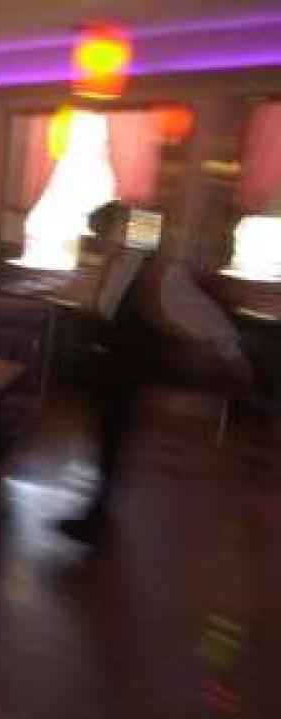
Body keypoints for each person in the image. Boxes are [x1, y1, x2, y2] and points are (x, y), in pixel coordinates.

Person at [58, 201, 253, 547]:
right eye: (100, 234)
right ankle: (98, 514)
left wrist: (232, 354)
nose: (101, 240)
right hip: (105, 368)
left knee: (113, 442)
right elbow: (99, 310)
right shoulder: (113, 264)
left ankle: (97, 519)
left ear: (122, 229)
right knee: (103, 440)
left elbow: (201, 313)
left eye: (105, 232)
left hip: (129, 370)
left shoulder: (157, 271)